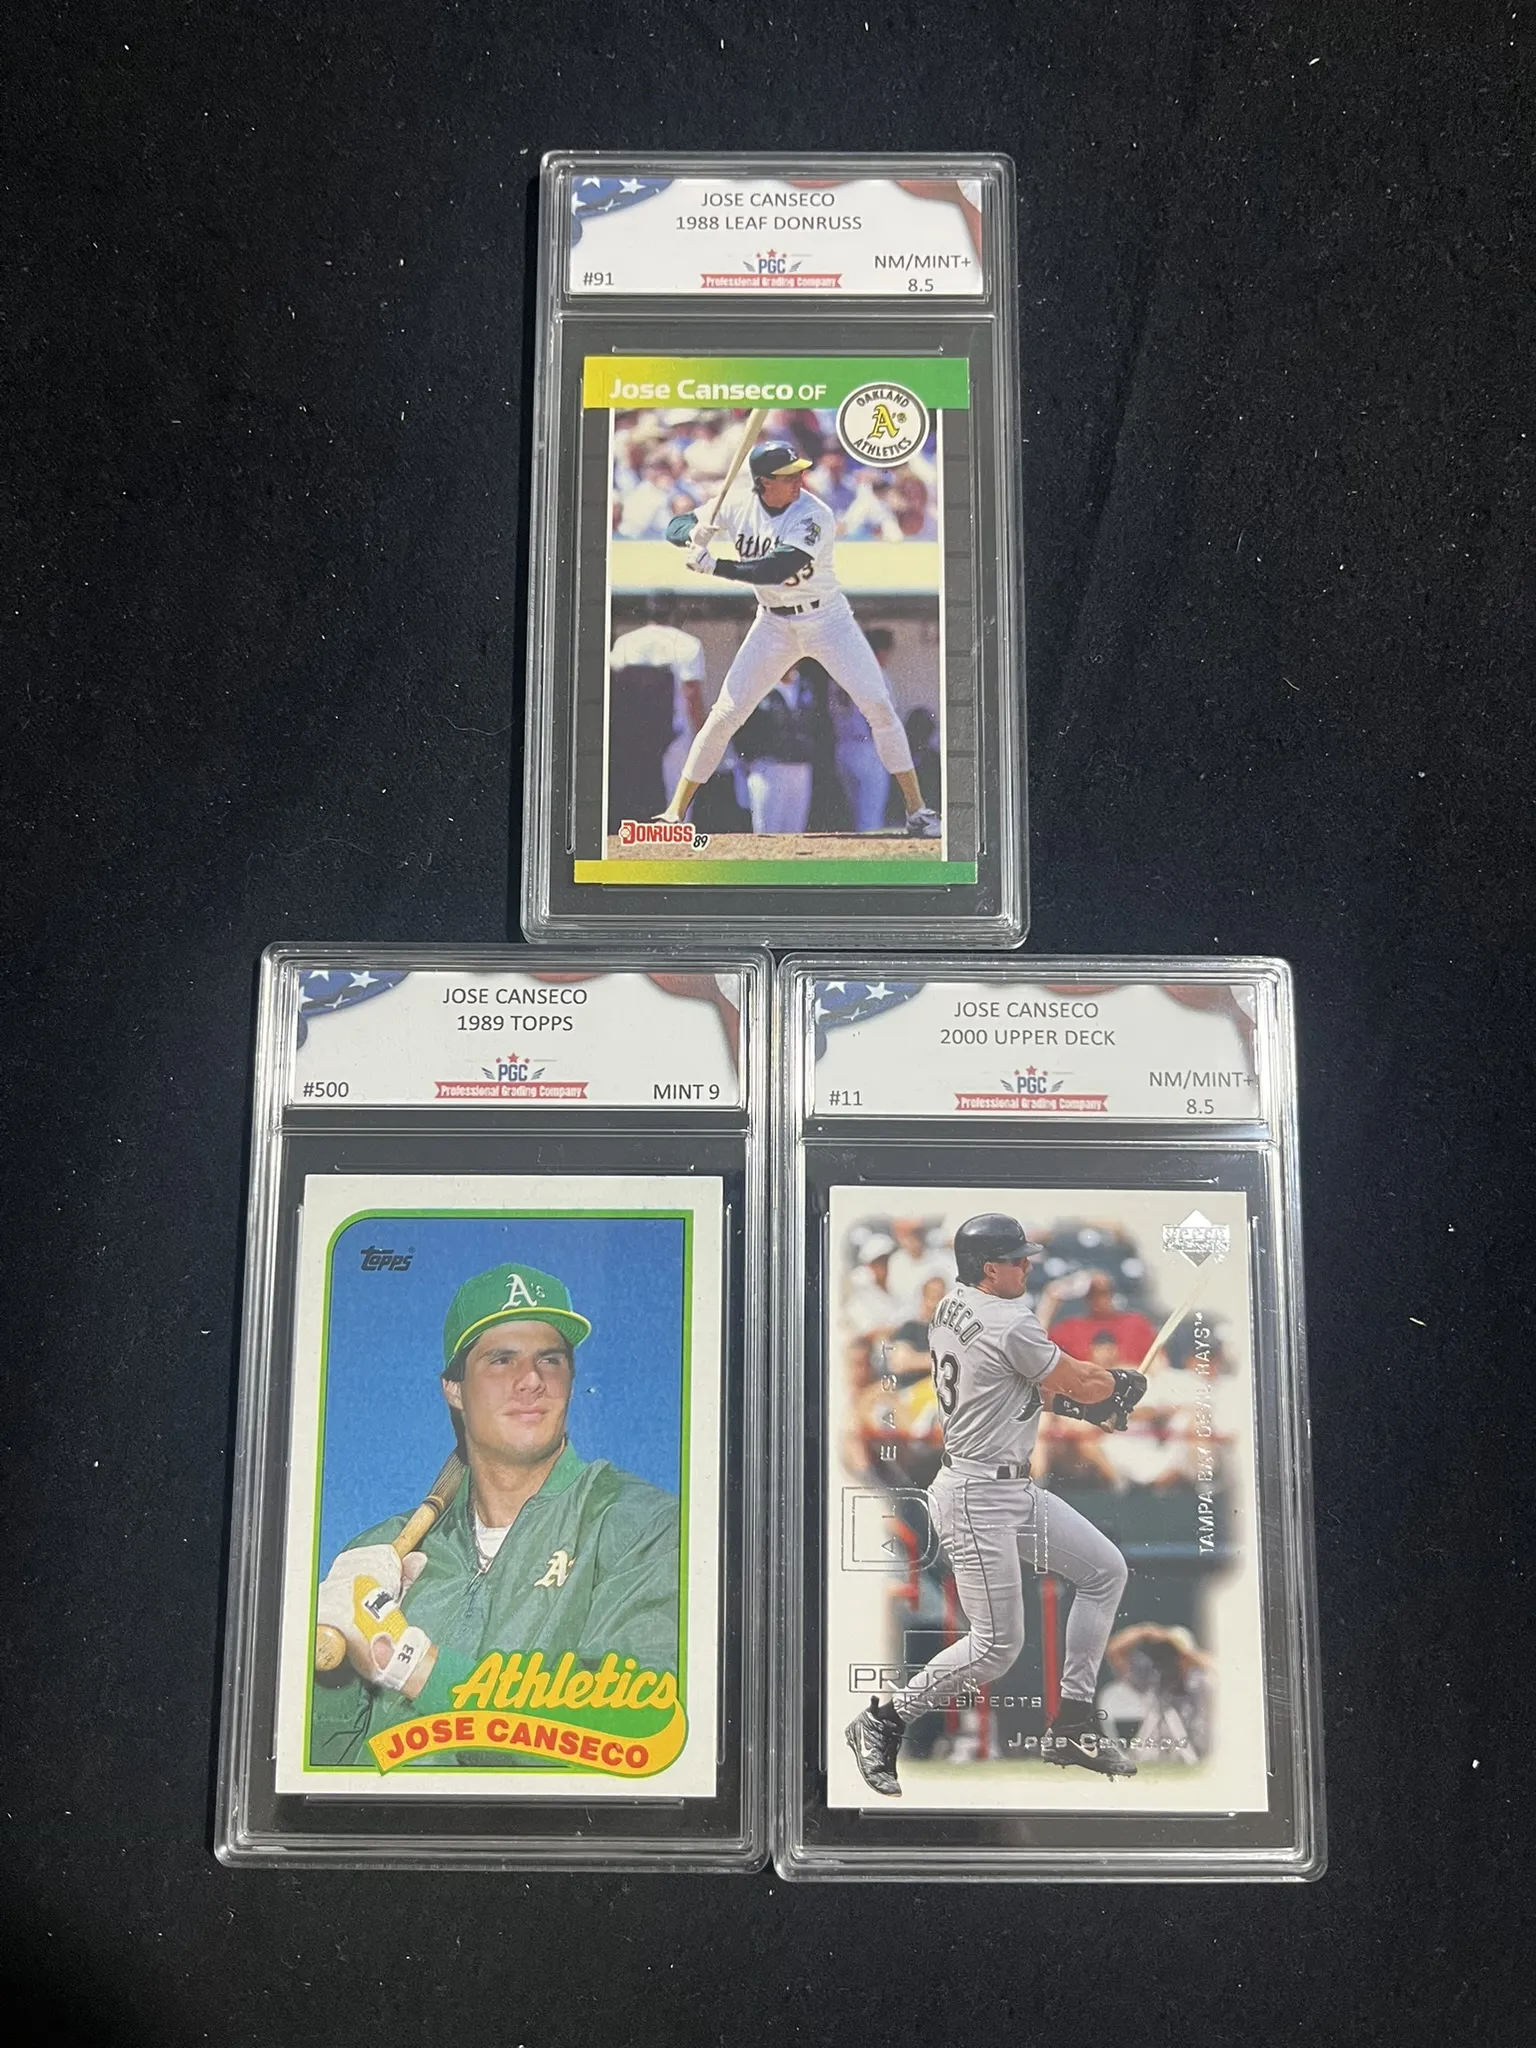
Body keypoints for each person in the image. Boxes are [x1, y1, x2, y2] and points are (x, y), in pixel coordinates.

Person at [311, 1261, 678, 1768]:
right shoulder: (383, 1550)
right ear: (454, 1388)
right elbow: (320, 1767)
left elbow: (640, 1734)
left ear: (571, 1380)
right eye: (502, 1360)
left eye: (550, 1360)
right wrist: (327, 1670)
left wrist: (410, 1665)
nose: (531, 1380)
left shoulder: (639, 1524)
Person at [845, 1215, 1148, 1795]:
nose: (1027, 1265)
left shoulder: (951, 1306)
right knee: (996, 1649)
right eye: (1016, 1259)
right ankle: (883, 1722)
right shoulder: (1008, 1319)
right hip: (977, 1497)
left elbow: (1012, 1388)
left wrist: (1087, 1408)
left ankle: (1073, 1724)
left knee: (1105, 1571)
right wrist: (1117, 1386)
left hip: (1006, 1488)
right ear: (989, 1268)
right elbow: (1079, 1379)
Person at [654, 442, 941, 839]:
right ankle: (674, 813)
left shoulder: (814, 513)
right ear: (764, 482)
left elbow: (778, 568)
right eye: (789, 476)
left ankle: (917, 810)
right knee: (725, 713)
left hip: (827, 620)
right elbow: (673, 528)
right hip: (773, 623)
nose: (799, 480)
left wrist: (715, 565)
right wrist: (692, 532)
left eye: (800, 473)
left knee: (878, 705)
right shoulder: (736, 504)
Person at [607, 598, 706, 829]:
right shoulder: (687, 643)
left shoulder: (626, 641)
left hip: (635, 734)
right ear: (674, 615)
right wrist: (701, 733)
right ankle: (677, 841)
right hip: (677, 731)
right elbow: (691, 693)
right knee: (678, 795)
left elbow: (612, 685)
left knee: (639, 794)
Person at [830, 625, 899, 833]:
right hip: (867, 747)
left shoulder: (839, 674)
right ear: (879, 651)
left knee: (856, 814)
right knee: (870, 817)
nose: (888, 656)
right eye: (886, 651)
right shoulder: (875, 674)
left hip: (843, 747)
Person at [733, 670, 817, 835]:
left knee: (796, 832)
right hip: (769, 768)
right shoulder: (757, 686)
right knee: (768, 832)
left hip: (801, 768)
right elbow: (740, 729)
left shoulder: (805, 686)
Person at [1049, 1272, 1159, 1366]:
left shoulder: (1136, 1323)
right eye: (1094, 1293)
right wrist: (1051, 1300)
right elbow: (1043, 1351)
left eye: (1105, 1291)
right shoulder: (1070, 1329)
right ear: (1087, 1297)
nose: (1101, 1299)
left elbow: (1158, 1362)